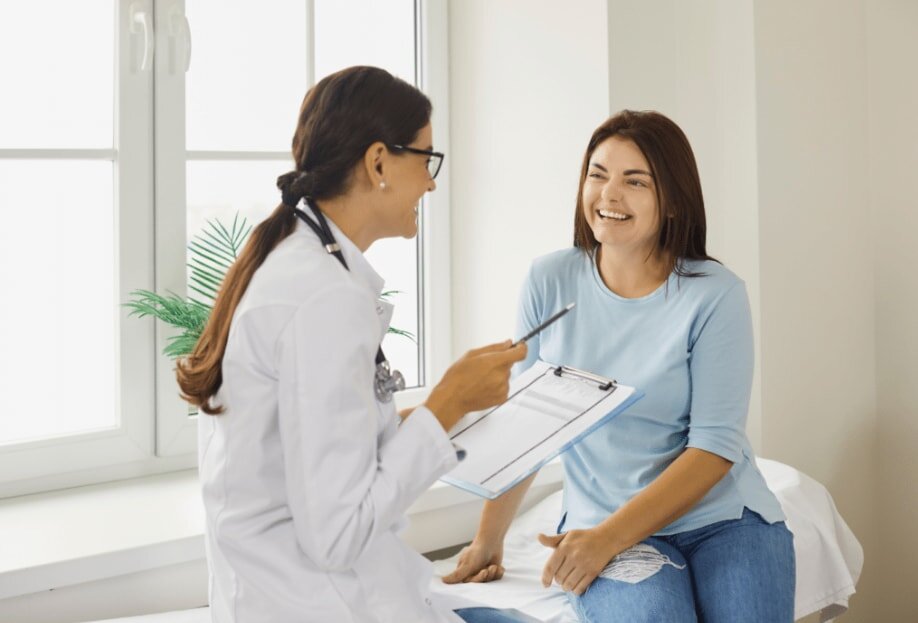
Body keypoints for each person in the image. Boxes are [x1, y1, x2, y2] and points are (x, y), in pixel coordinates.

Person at [176, 66, 532, 623]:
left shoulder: (297, 257)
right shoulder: (323, 297)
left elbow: (331, 435)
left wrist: (453, 409)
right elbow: (337, 536)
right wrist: (447, 404)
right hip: (319, 602)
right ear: (379, 163)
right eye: (427, 160)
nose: (433, 183)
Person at [444, 110, 795, 622]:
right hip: (603, 518)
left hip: (725, 519)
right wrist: (486, 541)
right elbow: (529, 425)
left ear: (672, 199)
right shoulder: (550, 279)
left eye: (635, 181)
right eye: (598, 174)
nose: (609, 195)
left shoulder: (715, 296)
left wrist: (605, 540)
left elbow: (713, 449)